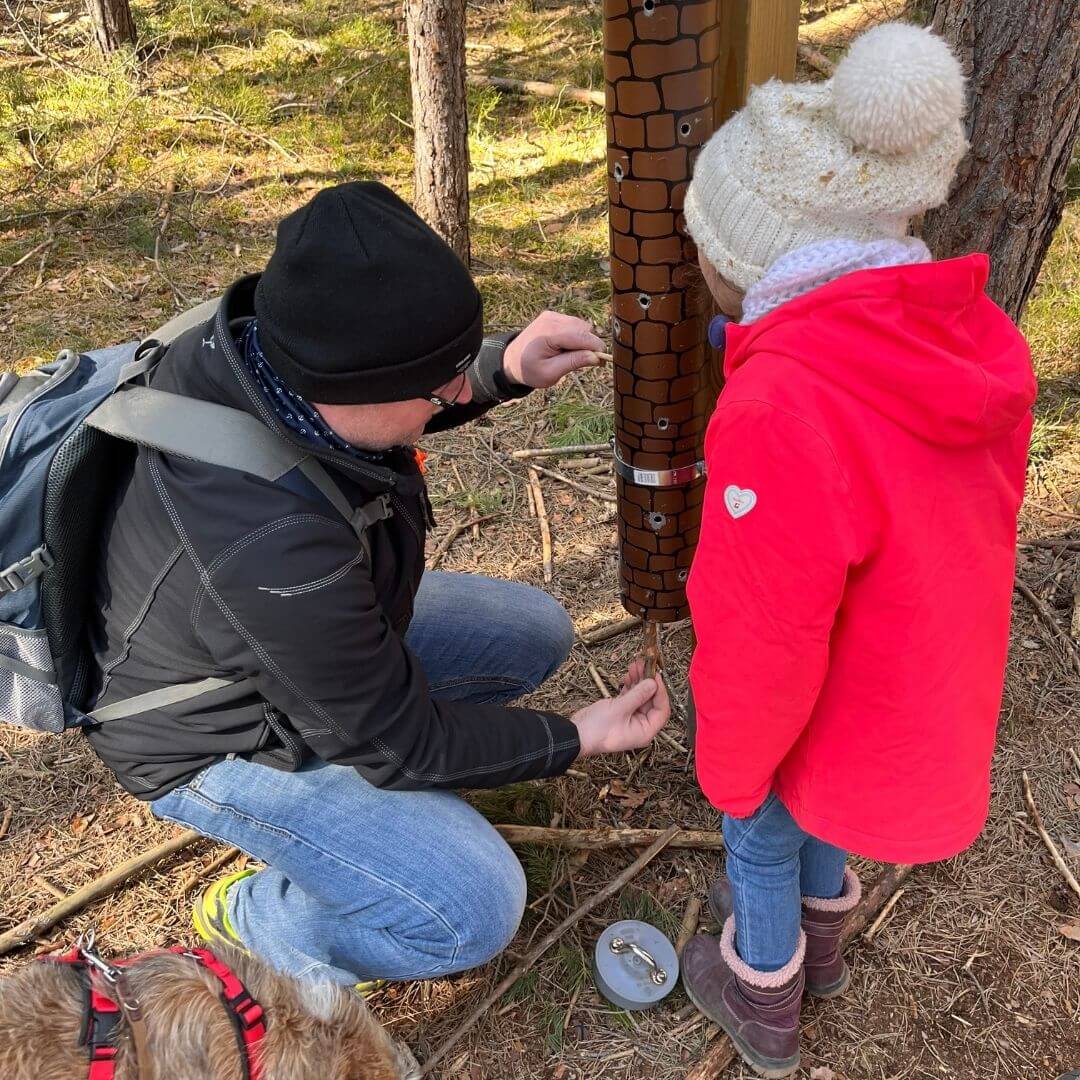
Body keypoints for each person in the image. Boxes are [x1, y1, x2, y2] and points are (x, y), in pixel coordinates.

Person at [88, 181, 669, 988]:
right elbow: (402, 742)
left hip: (288, 640)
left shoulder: (273, 348)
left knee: (530, 632)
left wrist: (500, 367)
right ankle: (262, 920)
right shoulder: (268, 551)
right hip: (215, 732)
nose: (458, 395)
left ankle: (379, 822)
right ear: (350, 390)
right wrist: (574, 737)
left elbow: (383, 402)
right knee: (473, 908)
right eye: (443, 389)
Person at [677, 23, 1036, 1077]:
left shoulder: (780, 413)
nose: (695, 258)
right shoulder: (957, 340)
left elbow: (762, 629)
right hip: (901, 685)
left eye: (706, 243)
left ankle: (763, 995)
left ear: (753, 261)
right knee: (819, 806)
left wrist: (730, 764)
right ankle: (824, 940)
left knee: (763, 824)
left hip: (815, 692)